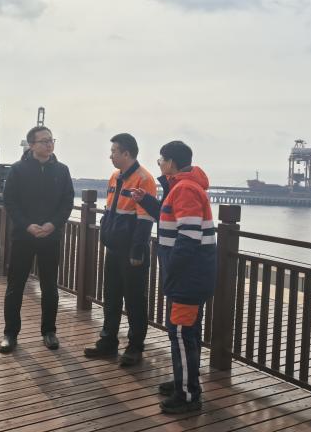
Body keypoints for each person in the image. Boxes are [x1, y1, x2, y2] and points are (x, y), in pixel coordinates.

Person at [131, 141, 216, 414]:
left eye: (161, 160)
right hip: (191, 275)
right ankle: (185, 381)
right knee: (187, 333)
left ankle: (188, 396)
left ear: (171, 162)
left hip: (187, 277)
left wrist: (172, 272)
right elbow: (171, 218)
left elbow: (188, 237)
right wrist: (146, 201)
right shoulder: (182, 187)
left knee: (181, 333)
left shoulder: (185, 189)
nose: (159, 163)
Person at [83, 133, 157, 366]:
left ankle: (135, 347)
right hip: (114, 248)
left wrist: (137, 251)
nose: (111, 156)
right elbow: (110, 210)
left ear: (126, 153)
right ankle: (108, 341)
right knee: (111, 296)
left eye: (114, 151)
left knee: (134, 300)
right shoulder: (115, 177)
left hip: (131, 250)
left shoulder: (144, 179)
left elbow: (145, 220)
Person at [0, 126, 74, 353]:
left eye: (51, 140)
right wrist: (27, 225)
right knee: (15, 286)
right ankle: (10, 333)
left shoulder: (62, 170)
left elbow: (67, 202)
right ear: (31, 145)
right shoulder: (18, 169)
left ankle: (49, 331)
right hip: (23, 236)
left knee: (50, 287)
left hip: (50, 237)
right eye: (43, 141)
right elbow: (10, 201)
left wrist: (53, 224)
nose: (49, 144)